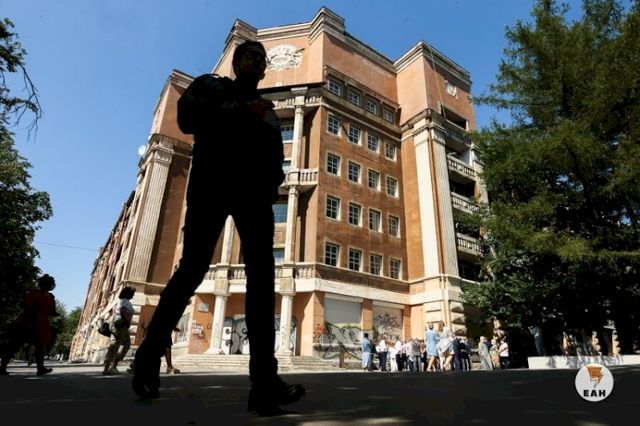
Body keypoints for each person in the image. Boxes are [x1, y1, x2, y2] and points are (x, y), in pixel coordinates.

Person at [131, 40, 304, 416]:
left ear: (264, 70)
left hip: (253, 197)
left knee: (263, 282)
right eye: (248, 56)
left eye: (260, 59)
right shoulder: (211, 86)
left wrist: (269, 185)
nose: (255, 62)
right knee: (191, 270)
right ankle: (147, 358)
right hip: (211, 186)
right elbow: (187, 120)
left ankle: (264, 384)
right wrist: (240, 111)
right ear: (236, 63)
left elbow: (276, 159)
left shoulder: (269, 114)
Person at [0, 274, 58, 376]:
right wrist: (33, 309)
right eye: (52, 283)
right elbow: (24, 305)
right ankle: (2, 367)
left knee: (40, 346)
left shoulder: (51, 297)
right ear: (47, 284)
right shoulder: (34, 293)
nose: (54, 285)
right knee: (15, 345)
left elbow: (52, 310)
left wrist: (54, 313)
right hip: (27, 322)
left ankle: (40, 368)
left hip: (41, 324)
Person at [103, 286, 136, 375]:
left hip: (122, 326)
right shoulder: (124, 301)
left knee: (125, 345)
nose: (133, 295)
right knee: (115, 346)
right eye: (132, 293)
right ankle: (107, 368)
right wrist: (127, 322)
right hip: (119, 326)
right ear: (128, 294)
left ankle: (113, 366)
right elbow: (123, 311)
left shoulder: (124, 301)